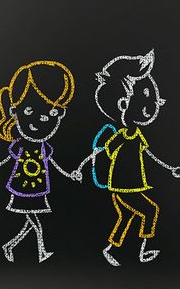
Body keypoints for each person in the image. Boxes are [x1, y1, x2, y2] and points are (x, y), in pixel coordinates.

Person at [72, 50, 179, 266]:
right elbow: (101, 151)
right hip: (123, 187)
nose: (152, 107)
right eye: (144, 98)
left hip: (131, 185)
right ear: (122, 104)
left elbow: (149, 154)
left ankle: (112, 249)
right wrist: (81, 167)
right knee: (151, 211)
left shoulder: (136, 134)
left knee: (127, 217)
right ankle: (142, 250)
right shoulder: (122, 136)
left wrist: (170, 168)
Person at [0, 60, 81, 263]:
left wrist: (70, 174)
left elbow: (53, 163)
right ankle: (40, 249)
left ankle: (11, 246)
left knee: (30, 220)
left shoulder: (43, 147)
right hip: (23, 187)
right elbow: (7, 158)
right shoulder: (21, 144)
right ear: (15, 111)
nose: (38, 121)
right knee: (33, 219)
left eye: (48, 115)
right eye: (28, 111)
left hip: (37, 187)